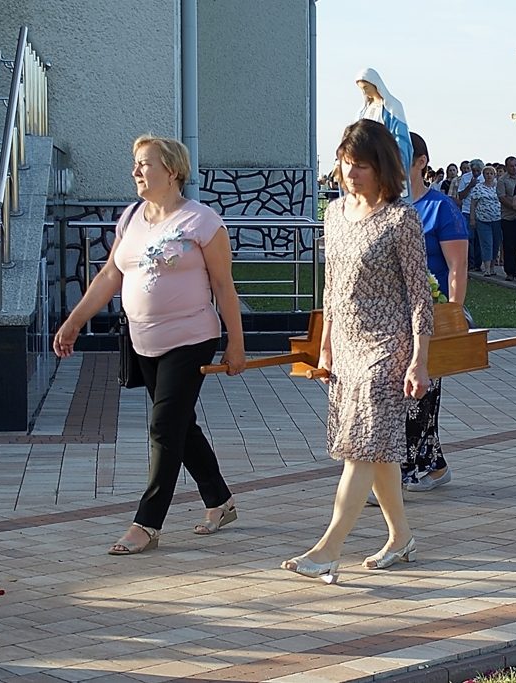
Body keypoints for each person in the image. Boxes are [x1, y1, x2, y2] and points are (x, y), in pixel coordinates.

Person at [53, 135, 246, 555]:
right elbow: (110, 275)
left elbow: (223, 285)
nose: (136, 171)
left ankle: (147, 523)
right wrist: (74, 320)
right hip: (143, 341)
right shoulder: (131, 217)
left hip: (192, 338)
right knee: (179, 425)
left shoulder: (202, 222)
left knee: (163, 426)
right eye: (136, 164)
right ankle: (219, 500)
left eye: (145, 164)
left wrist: (236, 343)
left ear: (172, 170)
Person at [281, 119, 433, 580]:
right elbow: (332, 285)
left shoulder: (400, 219)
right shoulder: (335, 213)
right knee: (377, 448)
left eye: (362, 165)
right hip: (346, 347)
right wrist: (325, 345)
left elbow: (419, 296)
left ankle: (328, 550)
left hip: (387, 349)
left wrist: (419, 359)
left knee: (361, 448)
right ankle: (401, 537)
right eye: (347, 162)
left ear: (382, 167)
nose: (352, 172)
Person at [402, 132, 469, 491]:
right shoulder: (387, 208)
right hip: (391, 317)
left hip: (430, 315)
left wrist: (453, 315)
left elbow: (457, 266)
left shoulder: (440, 208)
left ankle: (406, 469)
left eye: (402, 156)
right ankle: (432, 465)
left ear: (421, 162)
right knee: (400, 395)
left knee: (419, 395)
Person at [355, 68, 413, 199]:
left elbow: (401, 139)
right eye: (361, 89)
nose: (364, 92)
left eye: (366, 87)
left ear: (375, 84)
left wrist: (394, 162)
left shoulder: (393, 107)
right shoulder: (363, 111)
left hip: (385, 162)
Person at [498, 156, 516, 281]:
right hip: (508, 216)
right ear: (506, 167)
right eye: (511, 166)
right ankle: (510, 272)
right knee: (509, 245)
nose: (514, 168)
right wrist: (515, 206)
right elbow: (502, 198)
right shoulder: (502, 180)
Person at [470, 164, 502, 276]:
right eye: (487, 173)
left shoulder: (498, 187)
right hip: (483, 220)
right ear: (483, 175)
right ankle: (487, 268)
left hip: (497, 219)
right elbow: (473, 204)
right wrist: (472, 219)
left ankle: (493, 267)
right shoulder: (478, 187)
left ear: (495, 175)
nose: (489, 175)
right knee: (486, 243)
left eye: (491, 173)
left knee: (495, 244)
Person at [456, 159, 485, 270]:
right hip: (467, 211)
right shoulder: (465, 178)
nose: (476, 173)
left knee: (479, 239)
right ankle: (470, 263)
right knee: (469, 238)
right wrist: (470, 186)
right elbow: (461, 196)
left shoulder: (484, 177)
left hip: (481, 212)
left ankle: (478, 264)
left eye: (478, 171)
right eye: (474, 170)